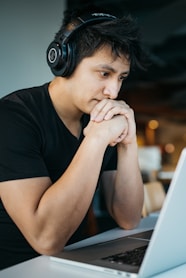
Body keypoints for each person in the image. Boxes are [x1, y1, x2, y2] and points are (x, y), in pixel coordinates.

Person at [0, 6, 147, 270]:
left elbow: (128, 218)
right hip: (18, 269)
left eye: (121, 78)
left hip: (75, 263)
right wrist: (95, 140)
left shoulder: (98, 117)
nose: (113, 91)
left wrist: (128, 142)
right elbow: (45, 239)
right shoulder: (13, 117)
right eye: (104, 73)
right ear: (65, 61)